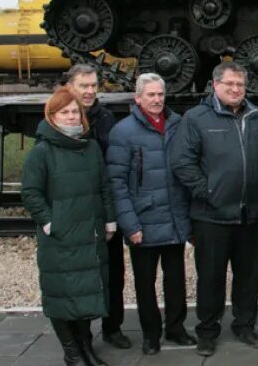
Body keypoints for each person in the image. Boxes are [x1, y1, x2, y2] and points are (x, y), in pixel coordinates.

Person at [170, 61, 258, 357]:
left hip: (250, 214)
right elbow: (182, 162)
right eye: (229, 84)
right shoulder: (196, 118)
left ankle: (245, 325)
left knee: (248, 275)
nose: (235, 89)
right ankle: (207, 330)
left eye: (240, 84)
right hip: (211, 215)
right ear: (215, 85)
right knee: (211, 276)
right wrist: (208, 192)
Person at [21, 88, 116, 366]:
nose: (72, 116)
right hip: (61, 238)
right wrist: (51, 223)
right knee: (61, 295)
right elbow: (31, 193)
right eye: (65, 112)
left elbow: (103, 187)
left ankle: (86, 348)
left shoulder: (90, 147)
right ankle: (72, 352)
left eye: (75, 111)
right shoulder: (42, 152)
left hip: (90, 234)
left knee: (87, 294)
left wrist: (109, 221)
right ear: (52, 116)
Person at [107, 73, 196, 355]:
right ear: (138, 98)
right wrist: (129, 224)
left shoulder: (177, 124)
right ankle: (151, 334)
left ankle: (176, 327)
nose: (157, 100)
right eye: (151, 95)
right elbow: (117, 183)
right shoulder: (123, 132)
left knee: (176, 278)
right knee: (145, 283)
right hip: (143, 221)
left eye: (160, 94)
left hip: (173, 217)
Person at [65, 64, 129, 350]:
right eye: (84, 86)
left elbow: (115, 167)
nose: (90, 91)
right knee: (80, 277)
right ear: (70, 87)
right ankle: (81, 334)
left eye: (93, 86)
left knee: (113, 274)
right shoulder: (60, 118)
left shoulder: (106, 118)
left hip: (104, 208)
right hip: (75, 212)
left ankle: (112, 327)